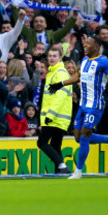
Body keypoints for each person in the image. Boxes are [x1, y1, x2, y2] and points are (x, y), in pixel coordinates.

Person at [49, 36, 108, 179]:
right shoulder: (84, 60)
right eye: (84, 44)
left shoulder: (104, 61)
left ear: (97, 46)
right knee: (78, 137)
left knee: (84, 135)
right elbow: (77, 78)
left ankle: (78, 171)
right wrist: (60, 85)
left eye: (88, 44)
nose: (85, 46)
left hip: (95, 105)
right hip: (83, 105)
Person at [37, 46, 72, 174]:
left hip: (55, 116)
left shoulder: (60, 73)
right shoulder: (54, 72)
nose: (51, 58)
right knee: (56, 145)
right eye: (50, 56)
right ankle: (61, 171)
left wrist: (51, 114)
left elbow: (60, 95)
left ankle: (62, 166)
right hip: (60, 116)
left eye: (54, 56)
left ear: (60, 58)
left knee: (42, 142)